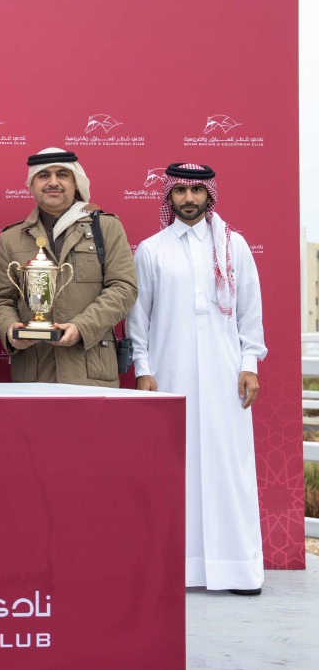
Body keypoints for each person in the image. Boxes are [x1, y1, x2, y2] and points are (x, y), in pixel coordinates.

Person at [127, 162, 267, 595]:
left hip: (227, 378)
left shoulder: (234, 246)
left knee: (229, 467)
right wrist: (144, 370)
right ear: (168, 197)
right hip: (170, 374)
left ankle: (237, 569)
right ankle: (178, 568)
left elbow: (250, 312)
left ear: (209, 195)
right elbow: (139, 318)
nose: (189, 199)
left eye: (196, 191)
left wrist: (250, 364)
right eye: (180, 192)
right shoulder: (152, 249)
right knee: (175, 467)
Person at [0, 148, 137, 386]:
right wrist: (10, 331)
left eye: (62, 174)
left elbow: (123, 288)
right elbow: (1, 301)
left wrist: (82, 328)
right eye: (44, 175)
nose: (53, 182)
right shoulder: (11, 237)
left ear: (75, 182)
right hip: (34, 376)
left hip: (92, 373)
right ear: (32, 184)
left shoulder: (106, 228)